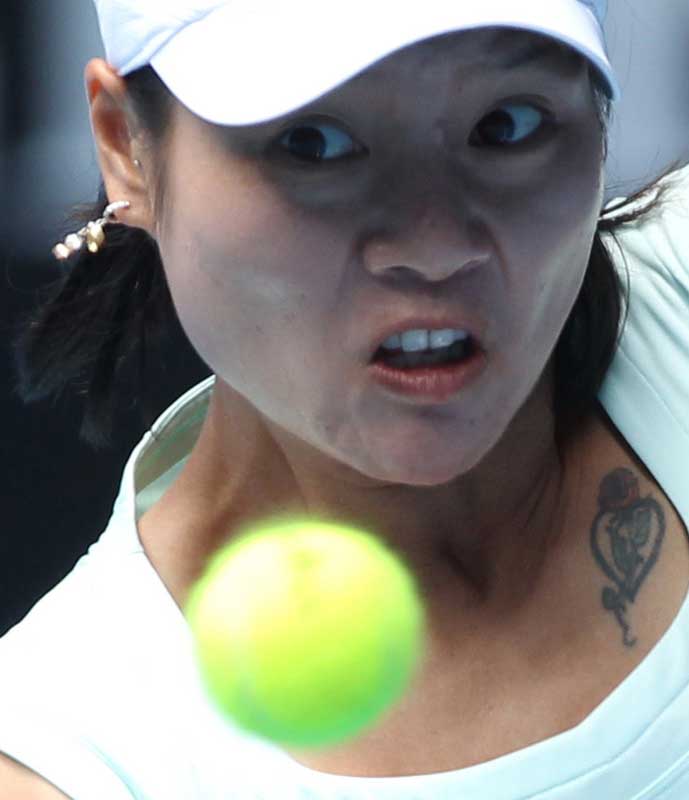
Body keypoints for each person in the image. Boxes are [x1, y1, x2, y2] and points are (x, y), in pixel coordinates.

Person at [2, 0, 688, 797]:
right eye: (314, 144)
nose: (435, 248)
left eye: (506, 124)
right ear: (127, 147)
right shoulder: (64, 764)